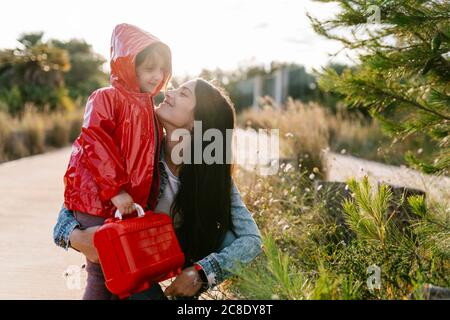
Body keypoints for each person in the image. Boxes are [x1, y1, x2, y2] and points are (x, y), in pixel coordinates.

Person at [54, 79, 262, 300]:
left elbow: (251, 239)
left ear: (197, 122)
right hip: (127, 259)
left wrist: (202, 273)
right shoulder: (135, 151)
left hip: (170, 256)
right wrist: (75, 236)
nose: (168, 92)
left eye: (183, 94)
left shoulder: (212, 176)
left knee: (229, 237)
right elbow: (74, 205)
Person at [60, 23, 171, 299]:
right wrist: (116, 191)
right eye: (149, 68)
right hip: (98, 199)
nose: (157, 75)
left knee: (122, 274)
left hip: (124, 202)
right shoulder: (106, 97)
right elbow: (96, 143)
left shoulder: (146, 105)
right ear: (127, 64)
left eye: (162, 69)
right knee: (100, 271)